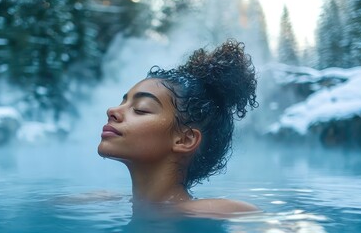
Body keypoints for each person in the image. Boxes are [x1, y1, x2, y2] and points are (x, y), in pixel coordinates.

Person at [97, 39, 260, 218]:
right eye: (123, 102)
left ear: (185, 139)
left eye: (140, 109)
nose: (112, 110)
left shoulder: (217, 211)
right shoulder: (104, 200)